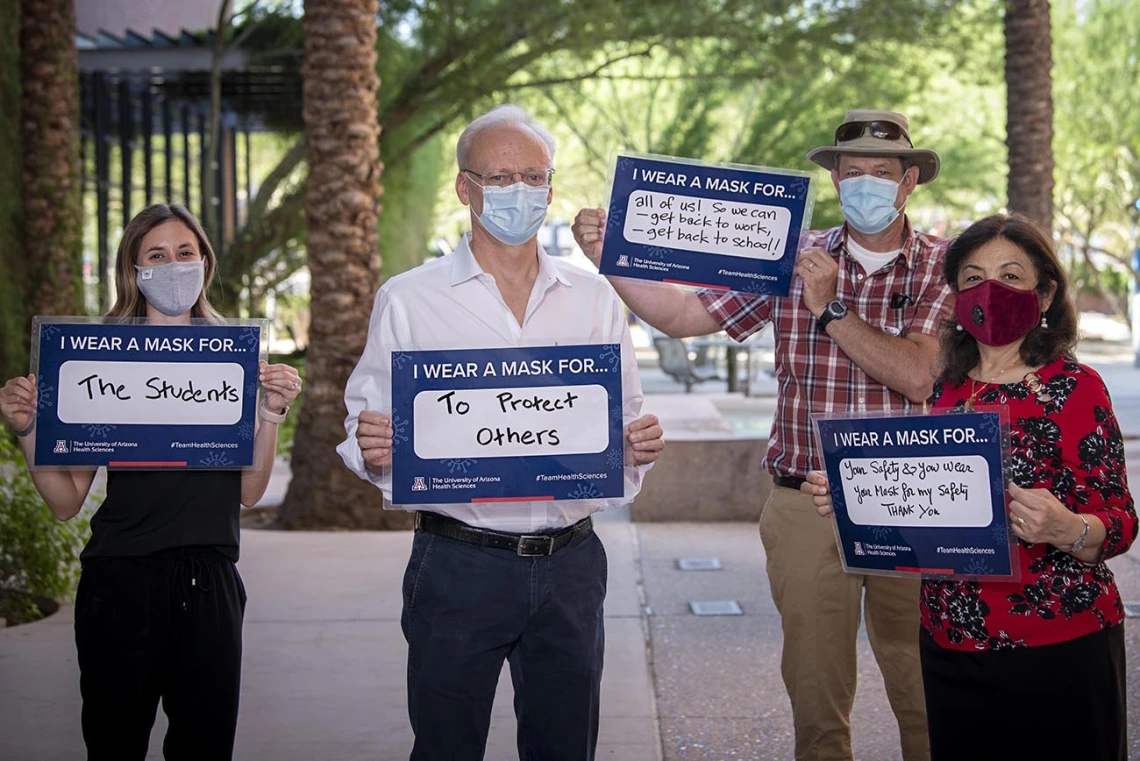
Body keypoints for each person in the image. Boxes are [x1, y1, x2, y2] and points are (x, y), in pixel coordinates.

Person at [572, 109, 950, 761]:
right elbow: (684, 313)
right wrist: (609, 256)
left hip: (913, 503)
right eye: (851, 172)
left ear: (909, 179)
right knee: (817, 697)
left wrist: (831, 308)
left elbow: (918, 374)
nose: (865, 184)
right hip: (805, 499)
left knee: (926, 691)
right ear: (833, 179)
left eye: (881, 173)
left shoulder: (944, 266)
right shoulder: (790, 255)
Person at [336, 104, 665, 761]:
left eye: (535, 177)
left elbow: (621, 418)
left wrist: (633, 445)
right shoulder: (409, 298)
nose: (522, 192)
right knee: (447, 745)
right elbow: (363, 423)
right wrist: (373, 448)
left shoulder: (594, 296)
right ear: (465, 188)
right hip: (458, 566)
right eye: (502, 177)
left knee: (566, 746)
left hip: (571, 566)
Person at [803, 214, 1135, 761]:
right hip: (950, 641)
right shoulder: (945, 388)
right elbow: (924, 506)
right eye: (974, 277)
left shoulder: (1075, 388)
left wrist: (1068, 528)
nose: (989, 291)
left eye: (1010, 276)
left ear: (1045, 292)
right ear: (955, 294)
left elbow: (1120, 522)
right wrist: (848, 497)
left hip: (1057, 643)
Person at [0, 204, 302, 761]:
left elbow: (249, 492)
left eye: (185, 253)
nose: (173, 266)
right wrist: (27, 430)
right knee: (114, 747)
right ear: (134, 271)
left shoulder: (235, 360)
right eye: (156, 256)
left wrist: (272, 412)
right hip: (119, 583)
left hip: (210, 586)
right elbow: (66, 502)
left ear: (204, 263)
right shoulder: (99, 359)